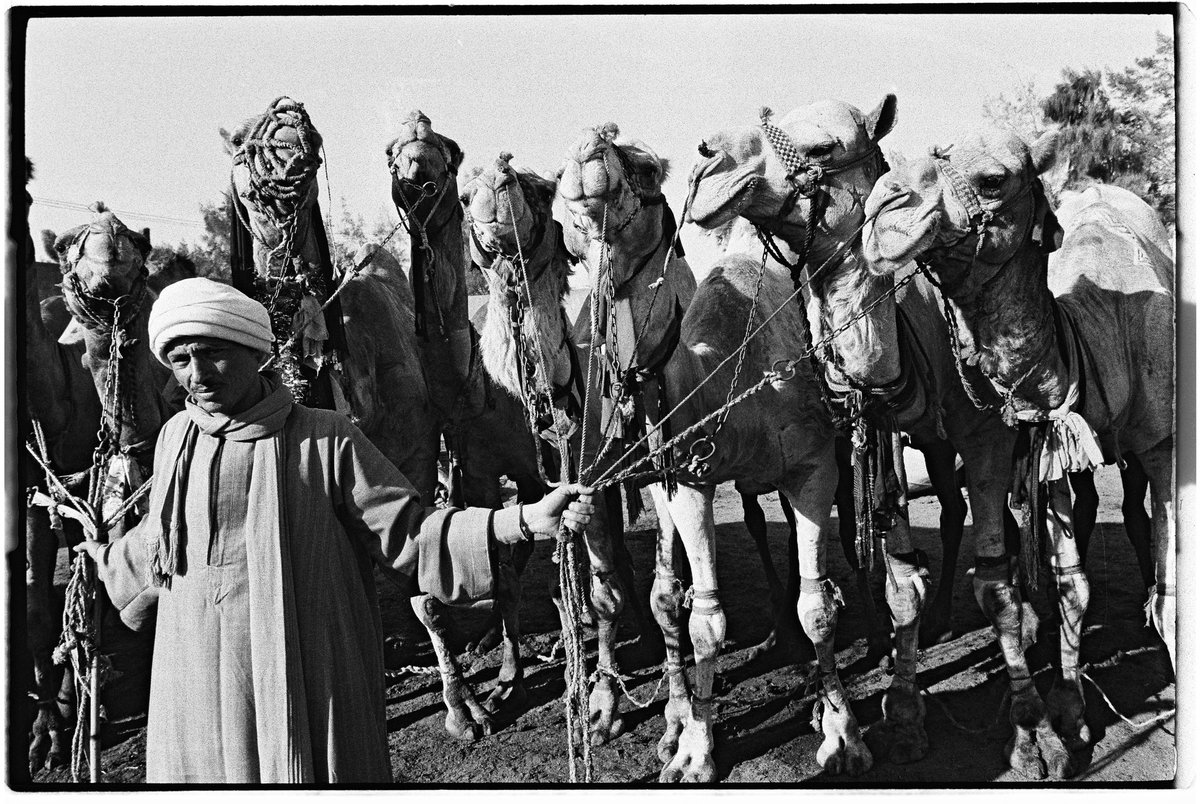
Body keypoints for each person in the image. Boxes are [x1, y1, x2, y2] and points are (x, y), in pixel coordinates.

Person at [77, 277, 594, 784]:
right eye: (180, 359)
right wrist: (102, 557)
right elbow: (158, 541)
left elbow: (409, 531)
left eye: (211, 353)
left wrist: (522, 520)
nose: (196, 374)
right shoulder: (175, 438)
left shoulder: (325, 438)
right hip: (192, 676)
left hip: (304, 671)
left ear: (252, 350)